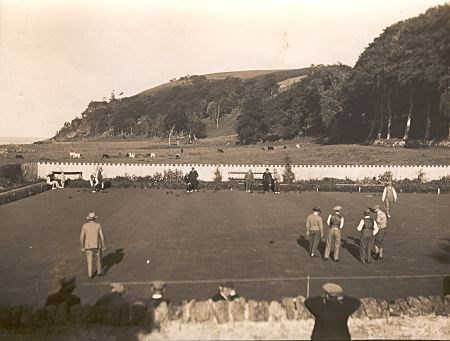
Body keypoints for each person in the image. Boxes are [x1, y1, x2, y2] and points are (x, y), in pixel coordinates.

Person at [80, 212, 106, 280]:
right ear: (95, 218)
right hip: (97, 245)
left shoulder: (84, 226)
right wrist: (103, 246)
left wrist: (82, 247)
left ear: (89, 218)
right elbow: (102, 237)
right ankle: (99, 272)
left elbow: (81, 237)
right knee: (98, 259)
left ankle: (90, 274)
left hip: (88, 245)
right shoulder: (98, 225)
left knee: (89, 260)